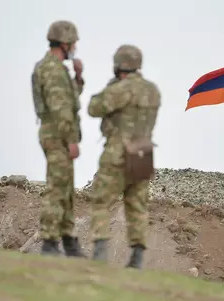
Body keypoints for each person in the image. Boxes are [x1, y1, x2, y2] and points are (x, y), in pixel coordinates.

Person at [87, 44, 161, 269]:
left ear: (119, 64)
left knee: (101, 200)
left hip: (118, 152)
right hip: (143, 152)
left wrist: (110, 87)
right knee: (137, 205)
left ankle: (100, 254)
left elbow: (94, 108)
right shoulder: (153, 90)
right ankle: (136, 258)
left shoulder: (121, 89)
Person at [31, 20, 85, 257]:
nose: (75, 47)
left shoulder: (56, 68)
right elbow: (61, 108)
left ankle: (68, 241)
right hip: (58, 135)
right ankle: (50, 242)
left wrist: (79, 77)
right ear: (64, 43)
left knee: (65, 188)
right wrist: (71, 140)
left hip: (57, 133)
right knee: (57, 187)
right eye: (73, 43)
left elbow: (70, 98)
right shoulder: (52, 69)